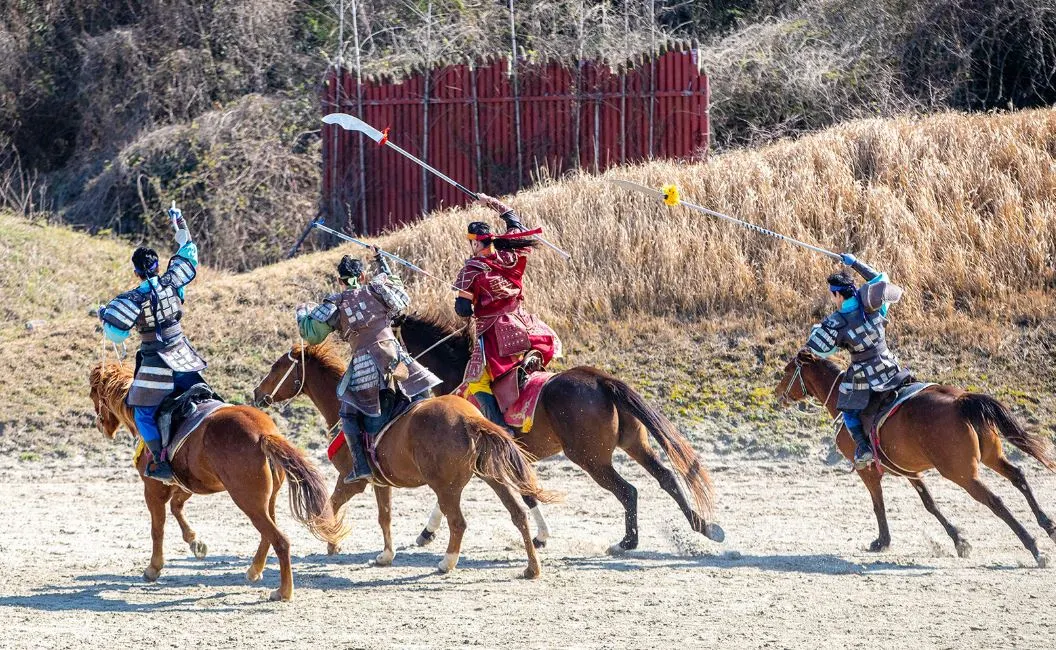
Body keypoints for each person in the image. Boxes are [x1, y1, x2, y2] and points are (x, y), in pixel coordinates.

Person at [297, 247, 441, 484]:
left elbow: (311, 334)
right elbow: (399, 292)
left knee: (347, 412)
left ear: (340, 281)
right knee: (419, 395)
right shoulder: (376, 289)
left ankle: (361, 466)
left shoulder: (336, 303)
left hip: (365, 363)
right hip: (395, 355)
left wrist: (302, 313)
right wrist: (380, 259)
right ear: (362, 276)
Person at [100, 204, 205, 483]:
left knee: (143, 413)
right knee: (202, 393)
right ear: (158, 266)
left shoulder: (132, 300)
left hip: (155, 363)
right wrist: (178, 221)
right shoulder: (173, 281)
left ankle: (160, 460)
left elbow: (116, 335)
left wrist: (104, 316)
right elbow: (189, 249)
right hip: (183, 355)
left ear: (136, 272)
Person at [453, 192, 561, 430]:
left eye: (472, 243)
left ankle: (501, 429)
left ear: (476, 243)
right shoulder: (510, 253)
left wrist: (464, 296)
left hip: (494, 333)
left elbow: (463, 310)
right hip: (524, 324)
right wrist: (489, 201)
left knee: (476, 381)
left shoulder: (471, 270)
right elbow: (513, 219)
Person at [806, 253, 911, 469]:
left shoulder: (836, 321)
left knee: (848, 410)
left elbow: (821, 350)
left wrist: (817, 330)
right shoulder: (872, 303)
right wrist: (854, 263)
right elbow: (881, 278)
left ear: (838, 295)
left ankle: (863, 448)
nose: (833, 299)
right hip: (890, 366)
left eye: (832, 295)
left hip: (864, 376)